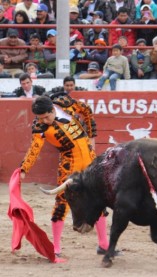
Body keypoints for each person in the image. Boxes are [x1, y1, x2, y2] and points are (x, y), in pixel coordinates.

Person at [20, 95, 111, 259]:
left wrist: (91, 135)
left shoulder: (65, 104)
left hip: (90, 161)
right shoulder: (40, 127)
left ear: (52, 110)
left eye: (47, 117)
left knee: (99, 200)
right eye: (41, 118)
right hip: (69, 165)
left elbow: (86, 109)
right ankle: (55, 248)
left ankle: (104, 245)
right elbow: (34, 149)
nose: (45, 121)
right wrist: (24, 168)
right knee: (62, 203)